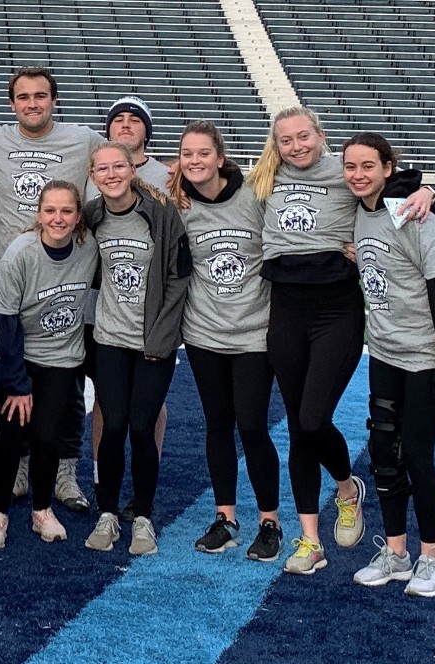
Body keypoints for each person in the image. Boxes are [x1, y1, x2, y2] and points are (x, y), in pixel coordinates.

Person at [248, 106, 435, 574]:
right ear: (276, 143)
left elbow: (407, 192)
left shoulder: (344, 170)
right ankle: (310, 541)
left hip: (336, 311)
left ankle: (347, 487)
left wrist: (431, 191)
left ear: (320, 133)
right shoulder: (263, 176)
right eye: (286, 139)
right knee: (297, 426)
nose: (296, 146)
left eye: (303, 136)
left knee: (313, 420)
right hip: (285, 310)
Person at [0, 67, 103, 513]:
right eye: (24, 97)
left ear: (55, 99)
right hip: (12, 274)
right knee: (13, 377)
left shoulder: (84, 138)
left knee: (65, 386)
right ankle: (22, 465)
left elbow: (121, 166)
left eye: (41, 95)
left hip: (68, 273)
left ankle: (64, 471)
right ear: (12, 103)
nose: (33, 103)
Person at [343, 132, 435, 597]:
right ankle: (396, 553)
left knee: (417, 455)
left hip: (425, 358)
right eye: (351, 166)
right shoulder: (353, 212)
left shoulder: (415, 217)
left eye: (368, 166)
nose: (358, 175)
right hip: (385, 353)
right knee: (383, 458)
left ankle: (432, 558)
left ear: (388, 168)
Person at [168, 121, 283, 561]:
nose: (194, 161)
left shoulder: (255, 195)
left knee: (252, 426)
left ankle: (269, 521)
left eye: (202, 153)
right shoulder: (177, 205)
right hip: (203, 333)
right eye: (186, 154)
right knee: (217, 424)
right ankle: (226, 517)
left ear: (220, 157)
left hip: (254, 332)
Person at [82, 142, 189, 557]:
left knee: (143, 428)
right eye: (102, 168)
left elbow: (179, 278)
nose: (111, 174)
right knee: (112, 425)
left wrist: (162, 339)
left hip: (152, 342)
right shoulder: (92, 215)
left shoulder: (160, 213)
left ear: (132, 169)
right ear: (93, 176)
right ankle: (107, 513)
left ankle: (142, 515)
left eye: (118, 166)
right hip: (108, 338)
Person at [0, 181, 97, 548]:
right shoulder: (21, 253)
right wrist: (16, 384)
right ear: (39, 213)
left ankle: (42, 509)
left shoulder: (88, 247)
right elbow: (4, 321)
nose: (58, 218)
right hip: (19, 354)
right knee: (13, 432)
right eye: (50, 211)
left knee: (47, 435)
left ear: (78, 216)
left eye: (66, 211)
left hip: (62, 358)